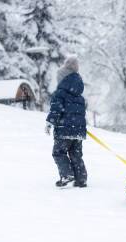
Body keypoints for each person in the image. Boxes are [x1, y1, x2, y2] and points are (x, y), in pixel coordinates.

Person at [45, 55, 88, 188]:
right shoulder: (80, 96)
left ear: (62, 78)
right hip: (78, 131)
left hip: (64, 129)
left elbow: (56, 109)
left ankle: (67, 175)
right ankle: (81, 179)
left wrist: (50, 122)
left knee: (59, 152)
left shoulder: (60, 93)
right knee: (76, 154)